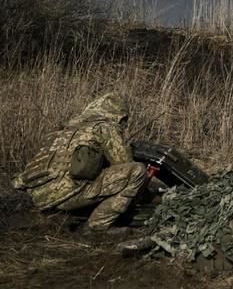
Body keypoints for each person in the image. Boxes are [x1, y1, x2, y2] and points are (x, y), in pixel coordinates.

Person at [11, 93, 147, 233]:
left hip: (37, 196)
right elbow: (123, 163)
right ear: (119, 115)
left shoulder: (61, 131)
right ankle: (97, 226)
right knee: (136, 171)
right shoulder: (105, 127)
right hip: (66, 195)